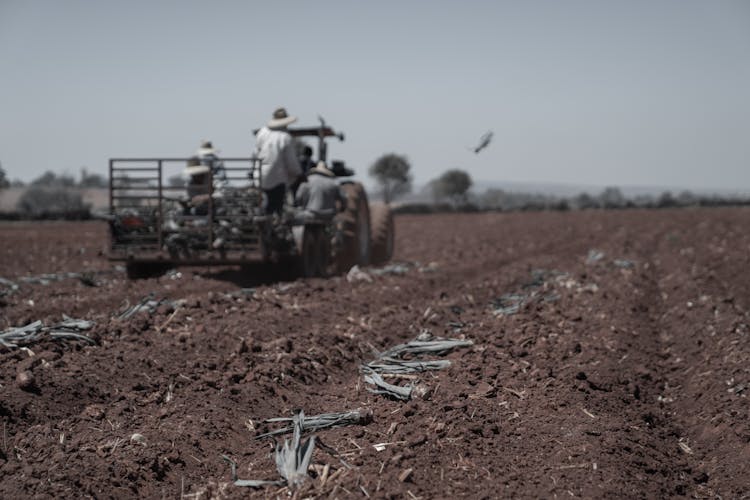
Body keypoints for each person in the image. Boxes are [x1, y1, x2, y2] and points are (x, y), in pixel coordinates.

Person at [253, 107, 303, 215]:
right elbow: (292, 162)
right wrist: (299, 174)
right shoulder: (285, 137)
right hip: (277, 179)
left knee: (266, 204)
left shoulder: (262, 132)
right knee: (276, 205)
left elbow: (256, 154)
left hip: (259, 176)